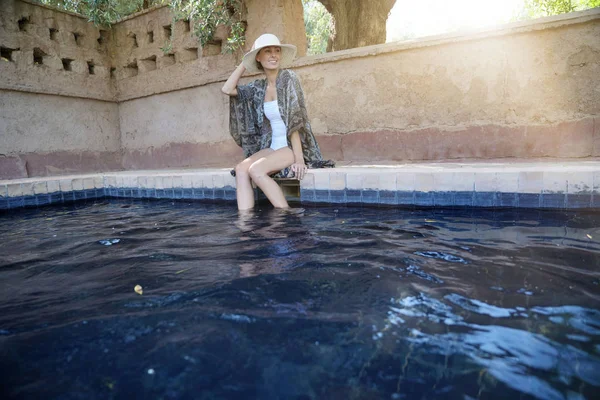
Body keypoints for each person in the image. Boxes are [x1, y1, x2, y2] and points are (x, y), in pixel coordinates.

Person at [222, 33, 333, 211]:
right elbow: (228, 89)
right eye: (267, 51)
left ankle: (286, 215)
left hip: (290, 146)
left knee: (256, 170)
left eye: (277, 51)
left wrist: (299, 159)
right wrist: (246, 60)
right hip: (272, 146)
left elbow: (295, 120)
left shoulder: (288, 78)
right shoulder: (258, 87)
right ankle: (246, 223)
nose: (274, 55)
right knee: (241, 169)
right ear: (258, 57)